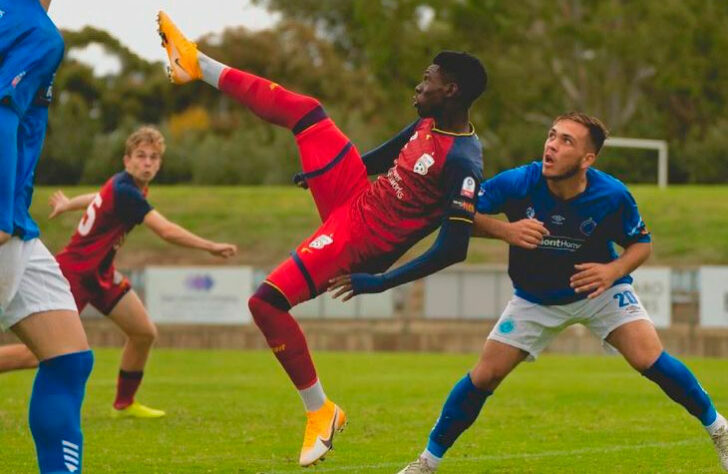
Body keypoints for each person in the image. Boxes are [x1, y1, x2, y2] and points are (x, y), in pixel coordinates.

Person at [157, 11, 487, 466]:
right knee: (307, 113)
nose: (418, 87)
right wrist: (321, 170)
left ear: (450, 91)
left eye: (426, 80)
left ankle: (321, 410)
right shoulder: (430, 122)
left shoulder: (465, 162)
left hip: (357, 240)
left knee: (264, 303)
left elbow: (455, 247)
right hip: (352, 196)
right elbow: (388, 156)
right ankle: (195, 64)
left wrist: (380, 282)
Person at [397, 112, 728, 473]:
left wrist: (613, 270)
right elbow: (456, 213)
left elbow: (641, 244)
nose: (552, 145)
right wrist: (504, 230)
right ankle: (425, 464)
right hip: (534, 299)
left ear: (588, 159)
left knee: (649, 358)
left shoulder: (612, 195)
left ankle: (720, 430)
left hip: (597, 291)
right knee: (485, 375)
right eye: (552, 136)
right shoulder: (519, 182)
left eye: (566, 141)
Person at [0, 126, 238, 419]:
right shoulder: (128, 193)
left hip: (100, 274)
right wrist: (210, 246)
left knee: (143, 332)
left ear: (160, 164)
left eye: (154, 157)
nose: (147, 162)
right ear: (127, 161)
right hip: (74, 274)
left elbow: (96, 196)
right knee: (38, 354)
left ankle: (124, 404)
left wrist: (67, 204)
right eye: (141, 156)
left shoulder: (123, 186)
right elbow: (164, 230)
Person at [0, 0, 94, 472]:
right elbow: (2, 112)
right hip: (5, 224)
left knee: (68, 358)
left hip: (20, 229)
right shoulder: (38, 30)